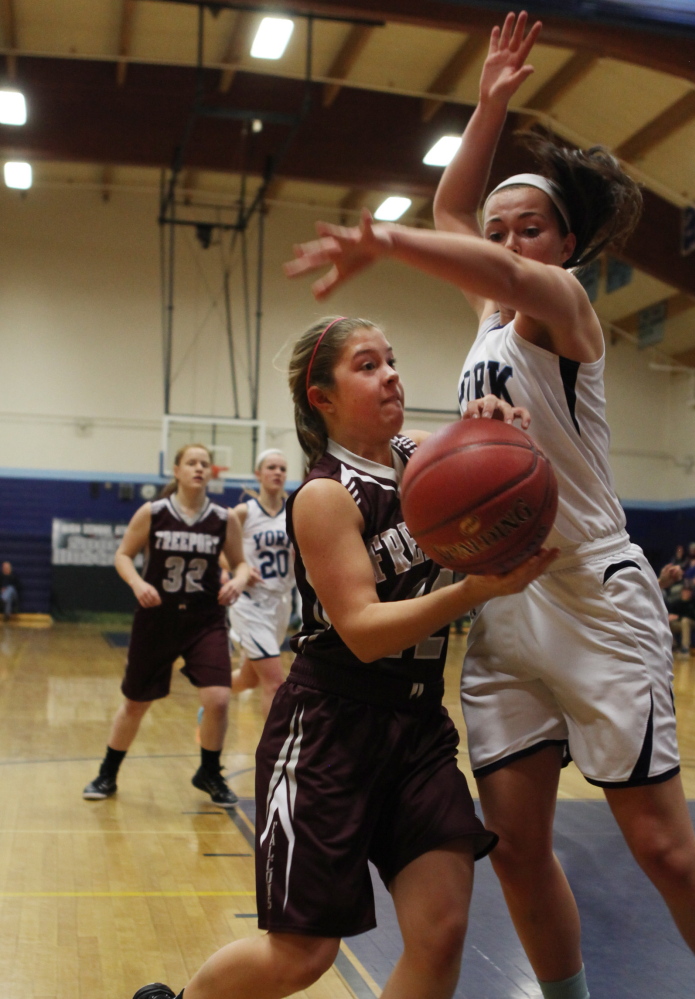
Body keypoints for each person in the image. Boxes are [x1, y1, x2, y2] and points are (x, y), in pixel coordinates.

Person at [283, 13, 695, 998]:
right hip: (501, 601)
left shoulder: (564, 309)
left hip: (593, 594)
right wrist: (489, 102)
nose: (505, 242)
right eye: (499, 227)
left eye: (529, 228)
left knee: (659, 847)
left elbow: (492, 265)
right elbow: (458, 214)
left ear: (567, 242)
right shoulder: (490, 325)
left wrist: (381, 235)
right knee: (510, 846)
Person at [130, 315, 556, 999]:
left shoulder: (423, 456)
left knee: (442, 928)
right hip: (330, 729)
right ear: (321, 397)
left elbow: (500, 461)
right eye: (366, 365)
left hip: (417, 729)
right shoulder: (325, 496)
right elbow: (362, 629)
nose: (391, 373)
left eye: (391, 359)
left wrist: (495, 424)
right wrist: (475, 589)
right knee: (303, 955)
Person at [83, 444, 250, 807]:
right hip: (157, 619)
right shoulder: (154, 512)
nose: (199, 468)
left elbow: (240, 564)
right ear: (176, 471)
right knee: (135, 703)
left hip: (204, 619)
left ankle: (209, 772)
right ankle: (107, 773)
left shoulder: (224, 518)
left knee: (218, 699)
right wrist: (138, 583)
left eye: (205, 464)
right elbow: (123, 554)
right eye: (191, 462)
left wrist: (237, 581)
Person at [227, 449, 296, 719]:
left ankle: (213, 696)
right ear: (258, 474)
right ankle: (273, 755)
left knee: (249, 681)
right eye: (271, 467)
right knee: (275, 682)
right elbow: (222, 552)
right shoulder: (244, 512)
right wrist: (239, 569)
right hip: (250, 603)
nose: (278, 472)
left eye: (282, 468)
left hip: (281, 603)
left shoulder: (294, 511)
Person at [668, 583, 695, 656]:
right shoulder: (676, 603)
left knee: (685, 621)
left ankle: (685, 647)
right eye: (685, 591)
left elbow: (692, 616)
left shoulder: (694, 603)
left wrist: (678, 617)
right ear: (681, 592)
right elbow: (671, 614)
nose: (686, 593)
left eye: (688, 591)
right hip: (679, 624)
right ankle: (672, 645)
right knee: (667, 621)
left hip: (691, 623)